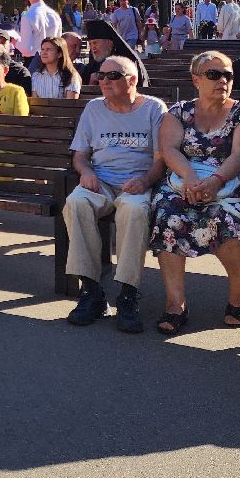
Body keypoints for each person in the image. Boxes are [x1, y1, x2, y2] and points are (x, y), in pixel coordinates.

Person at [149, 51, 240, 335]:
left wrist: (214, 181)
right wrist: (190, 179)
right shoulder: (178, 112)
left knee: (226, 220)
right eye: (214, 74)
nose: (223, 80)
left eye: (228, 75)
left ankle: (238, 293)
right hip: (185, 180)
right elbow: (169, 149)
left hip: (230, 181)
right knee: (168, 215)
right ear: (196, 80)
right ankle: (175, 304)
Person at [63, 55, 167, 332]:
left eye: (113, 76)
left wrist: (145, 181)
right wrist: (85, 172)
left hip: (137, 183)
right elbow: (80, 156)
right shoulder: (93, 108)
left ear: (132, 80)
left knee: (134, 210)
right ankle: (91, 291)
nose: (104, 81)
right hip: (101, 182)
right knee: (76, 202)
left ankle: (127, 293)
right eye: (101, 76)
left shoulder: (154, 109)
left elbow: (161, 159)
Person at [78, 19, 149, 89]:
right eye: (90, 44)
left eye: (95, 43)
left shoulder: (127, 62)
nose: (93, 47)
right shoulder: (92, 66)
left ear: (109, 43)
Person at [16, 0, 63, 66]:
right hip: (54, 61)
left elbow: (27, 49)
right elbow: (59, 41)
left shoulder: (28, 16)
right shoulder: (55, 15)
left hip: (34, 61)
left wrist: (15, 41)